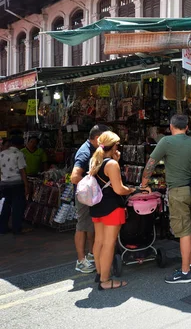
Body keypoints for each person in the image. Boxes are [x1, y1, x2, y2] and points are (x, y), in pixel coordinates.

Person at [140, 114, 191, 284]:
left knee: (183, 231)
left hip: (178, 191)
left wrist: (143, 183)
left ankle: (185, 272)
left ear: (171, 126)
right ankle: (190, 264)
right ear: (187, 127)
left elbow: (151, 163)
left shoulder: (166, 142)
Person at [89, 131, 140, 290]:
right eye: (118, 144)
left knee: (99, 241)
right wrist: (131, 190)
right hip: (111, 206)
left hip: (97, 206)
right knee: (109, 244)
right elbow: (119, 189)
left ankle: (99, 273)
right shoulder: (111, 164)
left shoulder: (95, 160)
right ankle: (105, 280)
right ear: (113, 146)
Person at [71, 124, 110, 273]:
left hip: (91, 196)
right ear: (96, 138)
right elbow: (75, 177)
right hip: (85, 195)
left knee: (90, 225)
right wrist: (90, 184)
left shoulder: (94, 149)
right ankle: (81, 261)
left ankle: (91, 255)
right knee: (82, 225)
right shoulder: (85, 152)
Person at [0, 137, 30, 235]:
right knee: (17, 207)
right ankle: (17, 229)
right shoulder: (19, 154)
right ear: (21, 145)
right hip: (16, 184)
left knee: (5, 206)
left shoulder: (2, 154)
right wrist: (26, 186)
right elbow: (22, 171)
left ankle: (3, 228)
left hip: (4, 184)